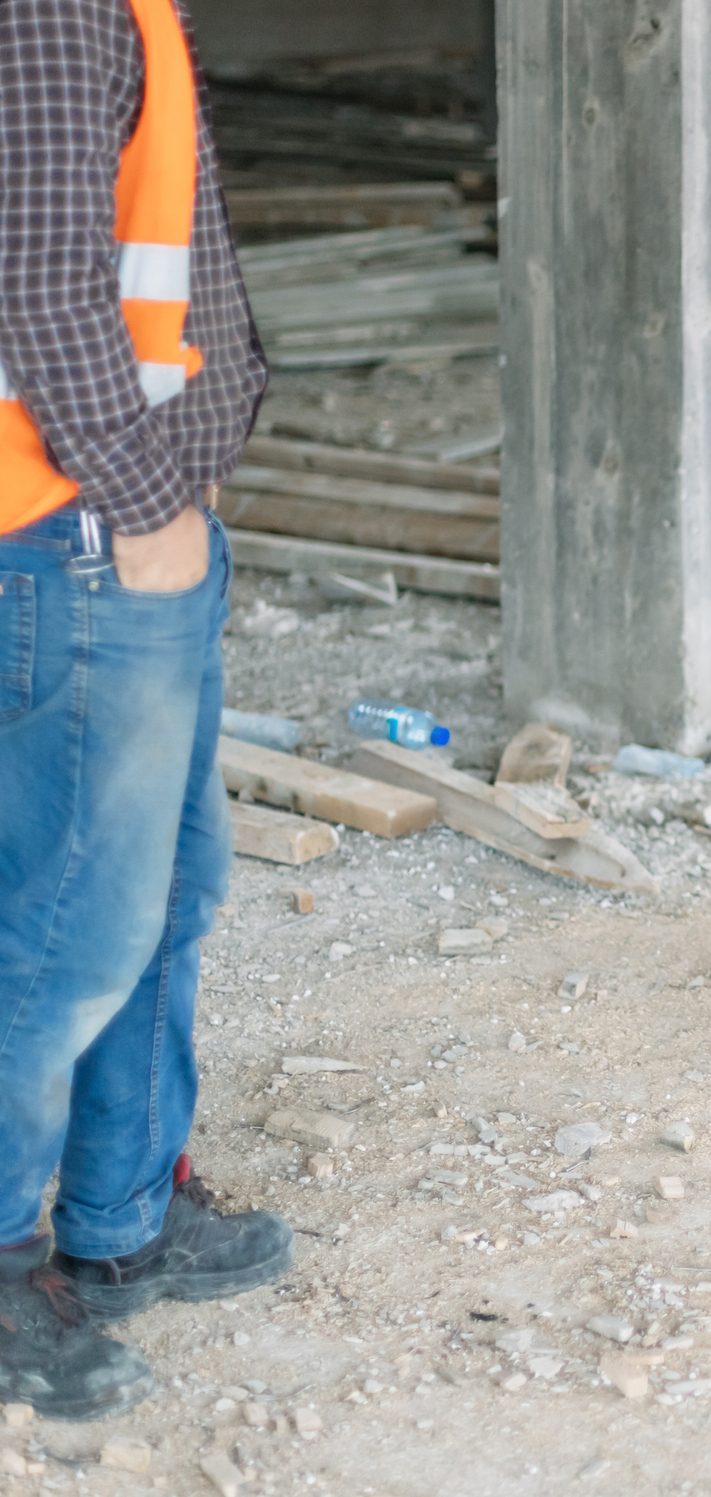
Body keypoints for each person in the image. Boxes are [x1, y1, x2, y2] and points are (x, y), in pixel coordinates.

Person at [0, 0, 291, 1421]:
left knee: (168, 893)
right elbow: (44, 286)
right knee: (64, 934)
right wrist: (148, 492)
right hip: (77, 532)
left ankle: (120, 1221)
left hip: (123, 531)